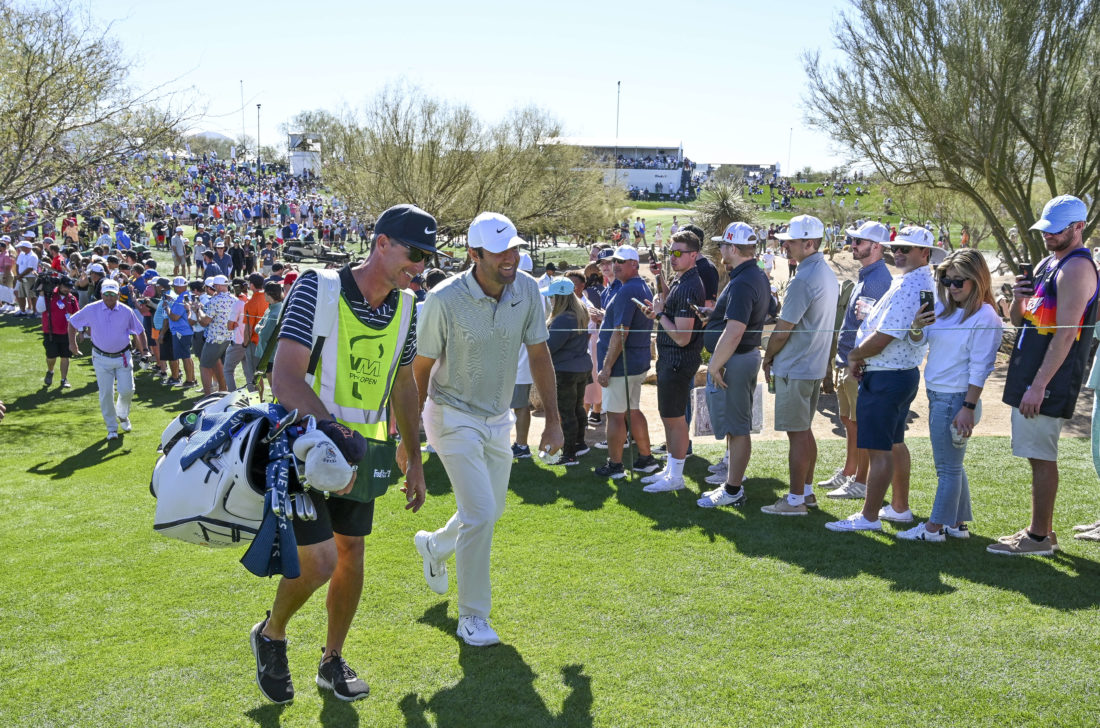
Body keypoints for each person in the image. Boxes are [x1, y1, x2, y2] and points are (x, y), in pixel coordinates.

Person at [251, 203, 429, 704]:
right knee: (322, 561)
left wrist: (414, 458)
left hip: (364, 455)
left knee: (351, 554)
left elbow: (403, 383)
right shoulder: (318, 285)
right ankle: (272, 633)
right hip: (303, 446)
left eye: (425, 257)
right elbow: (284, 377)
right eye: (413, 253)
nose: (418, 265)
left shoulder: (408, 307)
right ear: (381, 243)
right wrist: (331, 436)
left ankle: (331, 661)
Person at [412, 211, 563, 648]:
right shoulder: (443, 299)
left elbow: (539, 356)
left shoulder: (529, 290)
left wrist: (552, 421)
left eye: (513, 248)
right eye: (499, 252)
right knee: (480, 514)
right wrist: (410, 438)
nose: (509, 258)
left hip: (498, 418)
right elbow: (420, 369)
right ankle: (473, 616)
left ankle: (437, 546)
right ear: (473, 254)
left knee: (489, 512)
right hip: (450, 414)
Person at [990, 195, 1099, 555]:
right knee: (1034, 453)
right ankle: (1043, 532)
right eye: (1046, 230)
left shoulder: (1078, 268)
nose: (1048, 236)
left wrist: (1039, 386)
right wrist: (1018, 303)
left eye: (1055, 231)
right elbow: (1024, 323)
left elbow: (1067, 333)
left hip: (1047, 378)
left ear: (1078, 228)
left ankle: (1037, 538)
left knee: (1041, 455)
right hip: (1031, 370)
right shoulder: (1047, 263)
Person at [825, 226, 939, 533]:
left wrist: (854, 356)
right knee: (895, 442)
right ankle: (899, 508)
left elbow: (884, 336)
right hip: (898, 373)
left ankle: (869, 516)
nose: (898, 253)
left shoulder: (910, 286)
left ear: (924, 253)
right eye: (896, 248)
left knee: (879, 450)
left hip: (887, 374)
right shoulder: (916, 281)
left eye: (906, 249)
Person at [900, 250, 1002, 541]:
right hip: (939, 395)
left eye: (959, 281)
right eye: (946, 280)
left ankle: (934, 529)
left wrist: (968, 407)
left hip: (956, 399)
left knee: (947, 467)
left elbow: (981, 367)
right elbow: (919, 340)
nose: (952, 287)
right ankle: (956, 524)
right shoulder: (945, 309)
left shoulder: (985, 316)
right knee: (953, 465)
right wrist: (917, 326)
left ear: (977, 280)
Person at [760, 215, 839, 516]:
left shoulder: (804, 277)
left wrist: (767, 357)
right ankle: (805, 494)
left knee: (797, 433)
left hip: (796, 365)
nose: (786, 245)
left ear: (809, 243)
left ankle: (794, 500)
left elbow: (783, 329)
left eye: (791, 241)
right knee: (803, 431)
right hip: (811, 363)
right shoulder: (823, 272)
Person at [697, 222, 770, 508]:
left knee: (738, 428)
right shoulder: (752, 275)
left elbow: (735, 330)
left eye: (723, 245)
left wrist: (714, 365)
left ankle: (733, 490)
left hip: (736, 360)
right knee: (735, 426)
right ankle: (731, 485)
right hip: (739, 357)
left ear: (733, 248)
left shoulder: (743, 281)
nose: (720, 250)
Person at [820, 220, 893, 500]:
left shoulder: (876, 282)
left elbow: (871, 331)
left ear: (876, 246)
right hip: (847, 360)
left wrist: (856, 360)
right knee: (848, 420)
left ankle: (860, 480)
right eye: (854, 241)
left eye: (859, 242)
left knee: (858, 423)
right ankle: (851, 471)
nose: (853, 245)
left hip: (857, 364)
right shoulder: (867, 277)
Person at [637, 229, 705, 492]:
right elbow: (670, 304)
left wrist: (657, 316)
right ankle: (670, 470)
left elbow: (683, 337)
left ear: (693, 255)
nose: (673, 257)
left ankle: (675, 476)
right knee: (669, 417)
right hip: (670, 360)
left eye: (678, 253)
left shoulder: (690, 284)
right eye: (670, 252)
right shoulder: (681, 279)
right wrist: (660, 279)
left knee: (675, 418)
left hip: (678, 359)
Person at [594, 244, 660, 478]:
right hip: (635, 363)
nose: (616, 265)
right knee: (632, 411)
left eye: (621, 261)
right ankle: (646, 459)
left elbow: (621, 332)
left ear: (634, 264)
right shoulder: (639, 286)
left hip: (622, 366)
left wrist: (606, 367)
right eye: (614, 261)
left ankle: (615, 466)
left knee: (614, 415)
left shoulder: (626, 290)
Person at [67, 279, 150, 440]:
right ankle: (112, 428)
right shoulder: (92, 309)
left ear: (118, 294)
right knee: (106, 394)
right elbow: (72, 322)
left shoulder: (126, 311)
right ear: (101, 294)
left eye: (113, 294)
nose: (110, 298)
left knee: (127, 390)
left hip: (123, 357)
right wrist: (73, 344)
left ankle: (122, 415)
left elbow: (139, 331)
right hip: (101, 357)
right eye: (106, 294)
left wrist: (145, 350)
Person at [543, 277, 592, 466]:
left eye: (552, 297)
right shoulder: (579, 312)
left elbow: (550, 347)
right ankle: (579, 444)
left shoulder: (563, 318)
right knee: (577, 408)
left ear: (559, 297)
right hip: (581, 368)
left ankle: (569, 454)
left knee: (567, 412)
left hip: (566, 371)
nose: (550, 300)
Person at [36, 275, 79, 388]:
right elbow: (40, 309)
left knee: (65, 356)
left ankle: (64, 379)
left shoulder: (72, 298)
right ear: (59, 285)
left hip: (67, 333)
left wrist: (81, 331)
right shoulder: (49, 295)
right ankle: (50, 371)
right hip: (50, 332)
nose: (67, 289)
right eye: (65, 286)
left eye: (69, 287)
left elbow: (77, 315)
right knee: (51, 357)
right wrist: (41, 293)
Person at [195, 275, 234, 394]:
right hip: (229, 338)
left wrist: (197, 310)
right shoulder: (234, 299)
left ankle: (208, 395)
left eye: (215, 285)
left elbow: (204, 322)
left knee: (205, 366)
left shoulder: (214, 300)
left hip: (215, 339)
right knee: (219, 364)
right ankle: (223, 391)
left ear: (218, 286)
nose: (214, 287)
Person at [164, 276, 197, 388]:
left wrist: (167, 308)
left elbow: (174, 317)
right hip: (186, 331)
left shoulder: (181, 299)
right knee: (187, 356)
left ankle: (189, 381)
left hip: (181, 332)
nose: (174, 289)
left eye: (175, 286)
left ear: (179, 287)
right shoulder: (187, 296)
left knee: (185, 357)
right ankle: (192, 379)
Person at [14, 240, 38, 316]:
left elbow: (30, 268)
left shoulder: (33, 256)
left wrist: (19, 276)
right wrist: (18, 275)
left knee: (32, 295)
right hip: (21, 277)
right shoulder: (21, 254)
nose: (20, 248)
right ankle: (23, 311)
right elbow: (17, 265)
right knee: (21, 295)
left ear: (27, 247)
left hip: (30, 278)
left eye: (22, 247)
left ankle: (35, 311)